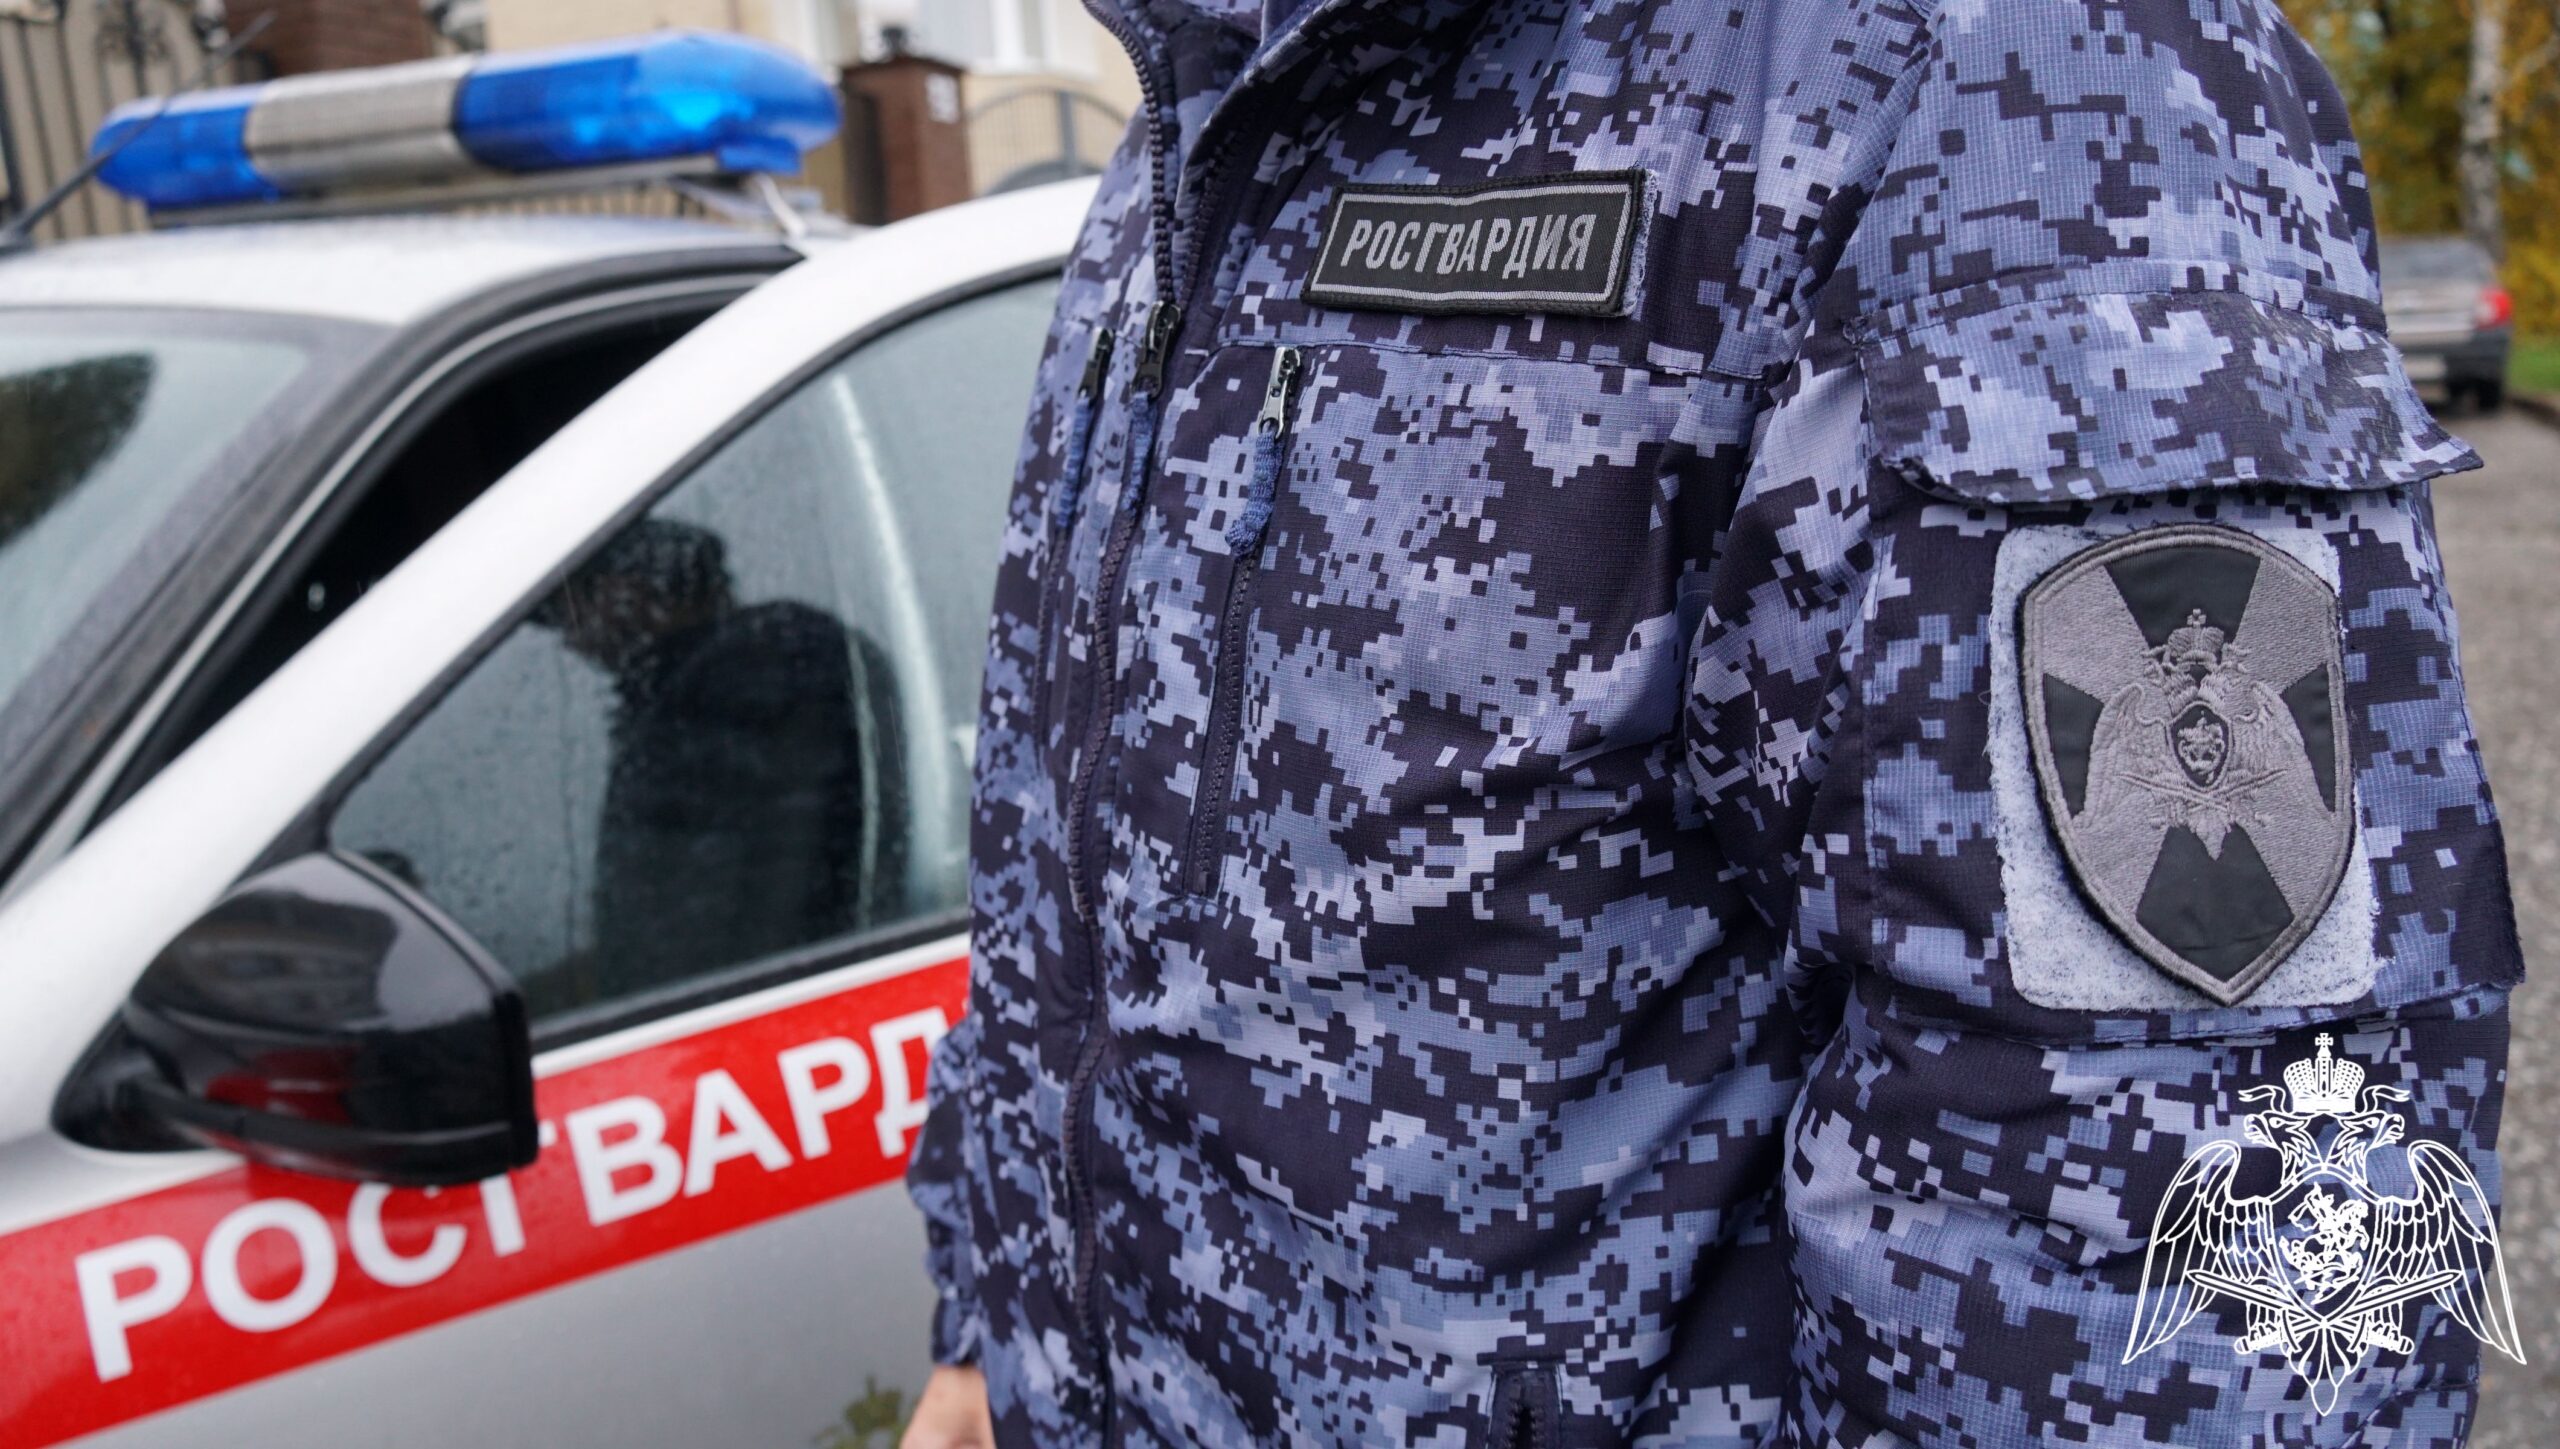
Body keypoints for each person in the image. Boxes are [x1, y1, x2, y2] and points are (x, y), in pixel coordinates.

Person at [905, 0, 2526, 1444]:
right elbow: (1066, 820)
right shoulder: (1203, 94)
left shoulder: (1998, 68)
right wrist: (995, 1321)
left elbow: (2188, 1249)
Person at [539, 519, 878, 1010]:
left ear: (636, 590)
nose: (572, 640)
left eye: (576, 609)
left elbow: (714, 912)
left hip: (763, 1008)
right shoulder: (691, 692)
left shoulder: (752, 680)